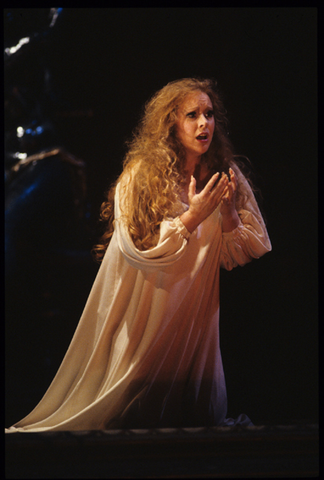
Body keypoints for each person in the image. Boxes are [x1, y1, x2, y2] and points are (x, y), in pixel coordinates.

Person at [6, 78, 271, 432]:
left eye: (209, 114)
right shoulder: (141, 176)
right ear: (170, 124)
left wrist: (227, 213)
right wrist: (191, 217)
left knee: (195, 415)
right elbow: (138, 251)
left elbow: (242, 250)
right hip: (149, 303)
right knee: (132, 411)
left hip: (195, 307)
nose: (204, 123)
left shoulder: (225, 174)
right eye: (192, 115)